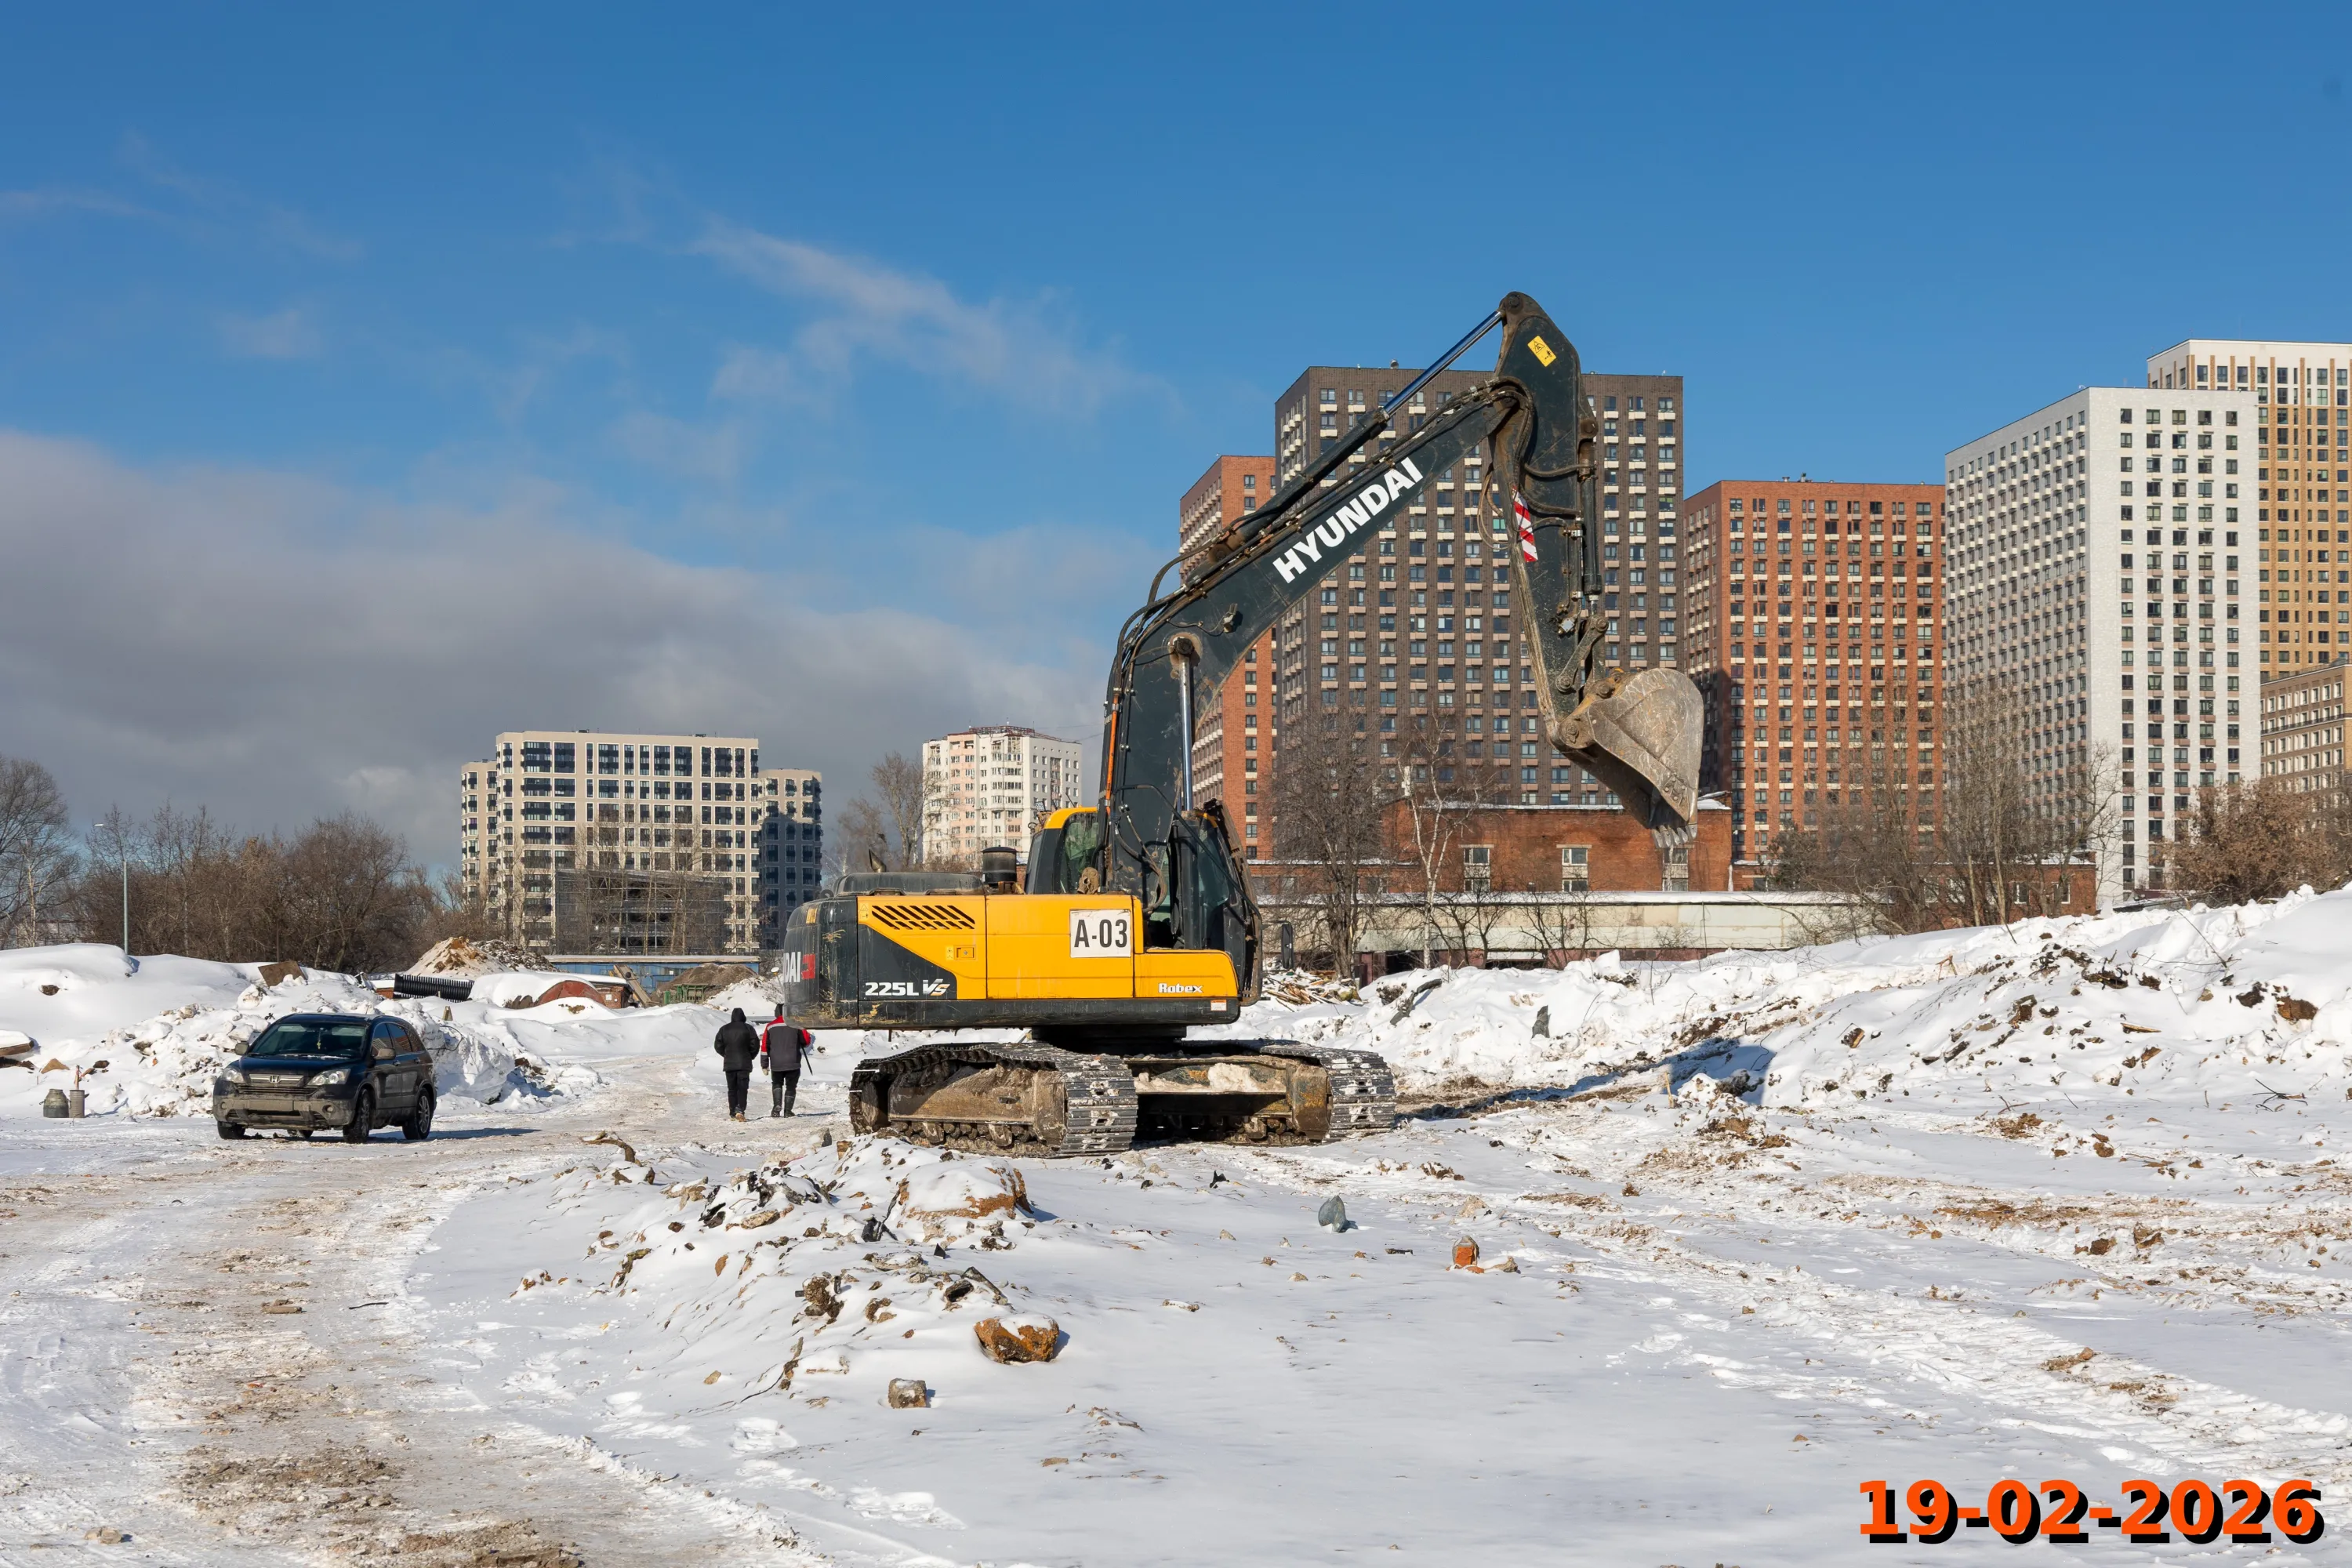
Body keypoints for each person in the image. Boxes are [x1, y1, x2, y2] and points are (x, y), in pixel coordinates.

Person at [760, 1005, 814, 1118]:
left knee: (777, 1083)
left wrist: (764, 1064)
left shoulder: (770, 1026)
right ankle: (788, 1111)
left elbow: (765, 1046)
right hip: (793, 1061)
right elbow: (807, 1041)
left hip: (776, 1063)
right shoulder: (796, 1024)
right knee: (791, 1087)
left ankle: (776, 1107)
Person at [712, 1007, 760, 1122]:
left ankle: (733, 1111)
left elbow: (718, 1046)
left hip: (730, 1064)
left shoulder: (724, 1029)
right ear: (743, 1017)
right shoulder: (748, 1028)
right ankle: (740, 1110)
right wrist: (750, 1056)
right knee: (742, 1088)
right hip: (744, 1063)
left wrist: (726, 1054)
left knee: (732, 1089)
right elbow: (755, 1045)